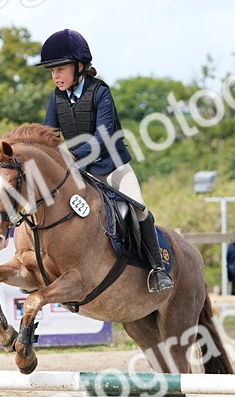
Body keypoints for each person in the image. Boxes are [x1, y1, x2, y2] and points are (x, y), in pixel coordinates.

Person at [38, 28, 173, 292]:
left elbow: (103, 137)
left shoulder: (100, 92)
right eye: (52, 71)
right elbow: (48, 136)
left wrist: (71, 155)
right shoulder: (56, 98)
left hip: (113, 167)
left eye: (60, 69)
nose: (55, 76)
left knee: (139, 209)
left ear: (79, 66)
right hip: (81, 173)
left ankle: (158, 270)